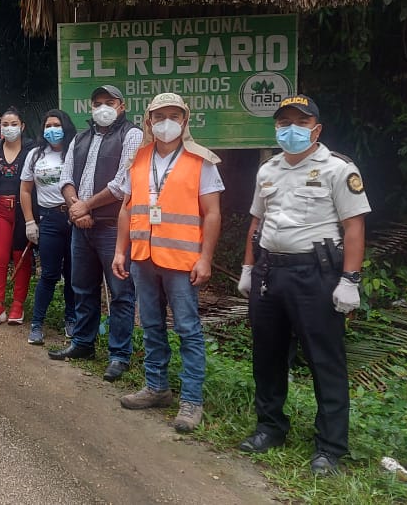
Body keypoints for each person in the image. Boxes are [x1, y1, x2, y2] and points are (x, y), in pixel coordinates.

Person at [236, 94, 370, 476]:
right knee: (267, 354)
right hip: (269, 273)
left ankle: (329, 447)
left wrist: (350, 280)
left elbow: (354, 225)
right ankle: (270, 428)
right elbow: (256, 222)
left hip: (316, 275)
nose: (290, 129)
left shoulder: (338, 169)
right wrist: (248, 267)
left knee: (324, 360)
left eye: (300, 122)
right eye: (283, 123)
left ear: (316, 129)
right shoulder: (269, 170)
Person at [113, 93, 223, 433]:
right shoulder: (138, 158)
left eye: (173, 115)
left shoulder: (200, 160)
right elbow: (127, 208)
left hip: (181, 259)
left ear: (185, 120)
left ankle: (191, 400)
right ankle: (156, 386)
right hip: (143, 257)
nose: (166, 122)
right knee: (150, 323)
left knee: (188, 329)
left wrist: (206, 258)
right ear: (148, 121)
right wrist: (121, 251)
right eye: (159, 116)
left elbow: (213, 213)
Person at [49, 84, 143, 383]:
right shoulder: (81, 137)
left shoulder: (132, 135)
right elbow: (66, 176)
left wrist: (85, 206)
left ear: (121, 105)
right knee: (82, 288)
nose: (102, 107)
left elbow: (122, 183)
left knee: (121, 293)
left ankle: (119, 355)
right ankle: (82, 343)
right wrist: (77, 207)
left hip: (113, 227)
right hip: (82, 226)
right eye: (97, 102)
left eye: (109, 102)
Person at [19, 109, 78, 345]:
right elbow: (25, 190)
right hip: (49, 219)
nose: (51, 129)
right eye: (47, 125)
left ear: (65, 126)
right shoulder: (35, 155)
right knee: (49, 274)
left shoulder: (77, 151)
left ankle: (72, 320)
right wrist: (30, 221)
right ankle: (37, 324)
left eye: (56, 124)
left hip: (75, 218)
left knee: (74, 275)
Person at [0, 107, 36, 326]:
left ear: (22, 126)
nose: (9, 128)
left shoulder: (32, 149)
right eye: (5, 124)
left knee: (21, 256)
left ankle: (18, 303)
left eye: (13, 124)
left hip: (24, 210)